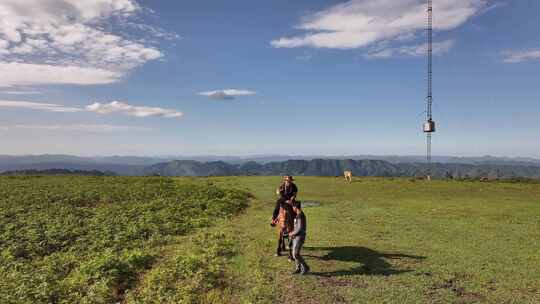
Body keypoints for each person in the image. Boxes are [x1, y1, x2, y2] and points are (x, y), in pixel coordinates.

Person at [290, 201, 309, 275]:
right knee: (293, 253)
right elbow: (296, 227)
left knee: (296, 254)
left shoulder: (300, 215)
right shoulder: (298, 214)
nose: (292, 209)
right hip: (296, 236)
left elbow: (300, 228)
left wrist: (292, 233)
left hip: (300, 237)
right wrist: (293, 232)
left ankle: (305, 267)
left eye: (293, 207)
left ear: (295, 207)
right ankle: (298, 268)